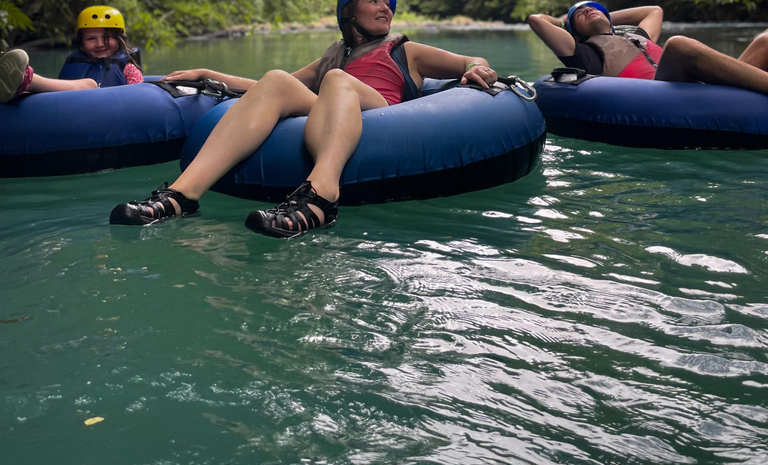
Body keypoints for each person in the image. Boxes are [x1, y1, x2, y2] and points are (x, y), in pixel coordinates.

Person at [109, 0, 499, 238]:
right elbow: (261, 88)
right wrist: (207, 74)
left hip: (382, 117)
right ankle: (182, 196)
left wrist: (477, 69)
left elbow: (468, 61)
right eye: (374, 0)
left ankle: (321, 198)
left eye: (388, 2)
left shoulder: (407, 50)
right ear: (348, 12)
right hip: (331, 112)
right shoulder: (334, 56)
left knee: (336, 81)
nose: (387, 8)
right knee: (278, 79)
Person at [527, 2, 768, 94]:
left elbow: (654, 10)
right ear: (574, 33)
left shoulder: (637, 35)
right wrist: (565, 22)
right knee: (677, 45)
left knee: (764, 40)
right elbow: (536, 21)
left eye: (593, 7)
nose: (588, 10)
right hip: (660, 91)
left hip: (700, 86)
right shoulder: (580, 50)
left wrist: (605, 17)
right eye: (580, 14)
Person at [0, 5, 142, 104]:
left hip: (105, 108)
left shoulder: (128, 67)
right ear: (81, 42)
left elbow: (142, 92)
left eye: (107, 38)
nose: (100, 43)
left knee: (90, 84)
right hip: (65, 106)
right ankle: (17, 86)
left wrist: (162, 83)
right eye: (91, 39)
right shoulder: (75, 61)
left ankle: (26, 79)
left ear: (120, 39)